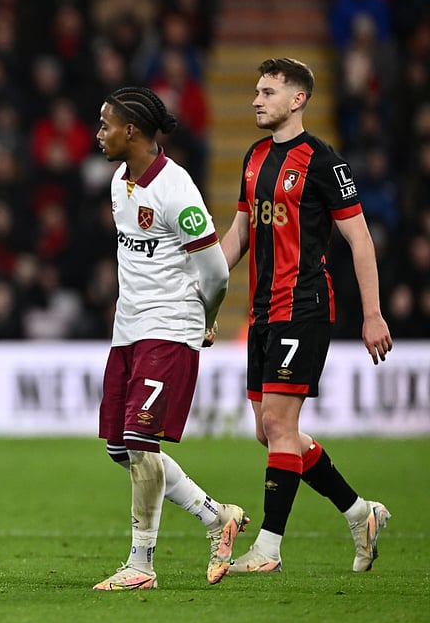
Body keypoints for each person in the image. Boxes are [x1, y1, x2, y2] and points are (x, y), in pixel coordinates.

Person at [221, 58, 393, 573]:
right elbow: (240, 235)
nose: (256, 99)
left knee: (278, 423)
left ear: (297, 100)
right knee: (271, 433)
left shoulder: (324, 162)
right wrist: (199, 290)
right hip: (261, 313)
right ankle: (361, 512)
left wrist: (374, 315)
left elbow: (359, 238)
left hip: (305, 307)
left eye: (268, 92)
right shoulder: (253, 157)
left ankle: (269, 547)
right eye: (255, 91)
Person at [91, 86, 250, 591]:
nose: (98, 135)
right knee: (120, 447)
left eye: (105, 125)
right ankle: (215, 516)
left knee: (141, 441)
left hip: (171, 325)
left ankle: (141, 565)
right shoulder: (120, 181)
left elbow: (216, 272)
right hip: (129, 329)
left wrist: (208, 317)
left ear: (131, 131)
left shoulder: (177, 191)